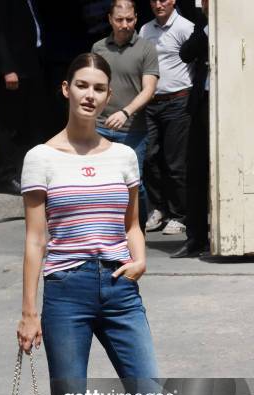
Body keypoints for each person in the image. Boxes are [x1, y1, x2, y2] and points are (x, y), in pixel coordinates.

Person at [17, 52, 170, 395]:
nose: (90, 94)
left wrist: (142, 256)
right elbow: (35, 240)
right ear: (65, 89)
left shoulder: (123, 157)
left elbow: (131, 224)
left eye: (99, 88)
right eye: (81, 85)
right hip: (65, 293)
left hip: (120, 290)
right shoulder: (41, 157)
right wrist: (28, 311)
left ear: (109, 97)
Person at [92, 0, 159, 231]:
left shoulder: (146, 48)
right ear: (110, 19)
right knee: (100, 181)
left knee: (134, 183)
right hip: (99, 126)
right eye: (119, 20)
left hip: (132, 129)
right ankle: (106, 230)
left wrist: (125, 111)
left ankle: (137, 231)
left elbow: (149, 89)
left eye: (129, 19)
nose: (124, 25)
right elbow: (93, 86)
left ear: (136, 18)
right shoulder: (98, 48)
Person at [0, 0, 46, 195]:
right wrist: (7, 69)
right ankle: (7, 176)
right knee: (7, 121)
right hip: (14, 69)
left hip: (31, 64)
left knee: (32, 120)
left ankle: (29, 172)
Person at [140, 0, 194, 235]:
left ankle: (179, 215)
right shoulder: (145, 29)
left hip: (178, 101)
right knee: (149, 156)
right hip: (151, 102)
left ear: (173, 1)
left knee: (175, 162)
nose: (158, 4)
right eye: (154, 0)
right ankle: (158, 209)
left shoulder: (185, 27)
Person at [171, 0, 209, 257]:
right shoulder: (203, 25)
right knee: (195, 170)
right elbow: (186, 53)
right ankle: (195, 237)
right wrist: (208, 27)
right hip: (202, 105)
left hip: (237, 105)